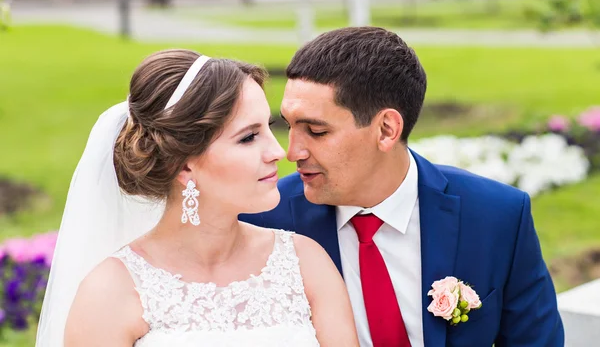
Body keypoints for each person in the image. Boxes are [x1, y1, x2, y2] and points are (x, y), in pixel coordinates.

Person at [241, 27, 565, 346]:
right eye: (289, 126)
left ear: (386, 130)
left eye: (315, 130)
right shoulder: (263, 220)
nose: (292, 152)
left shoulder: (497, 216)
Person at [36, 50, 359, 346]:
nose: (278, 151)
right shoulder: (110, 292)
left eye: (270, 127)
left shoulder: (304, 262)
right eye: (248, 137)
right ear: (184, 163)